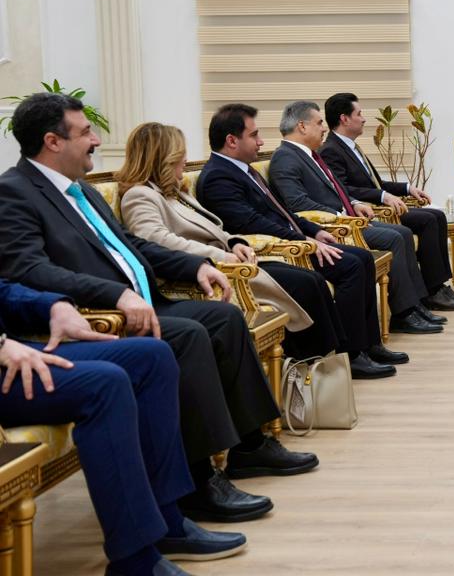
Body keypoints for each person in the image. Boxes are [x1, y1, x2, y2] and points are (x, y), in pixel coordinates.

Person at [0, 92, 316, 524]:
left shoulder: (81, 191)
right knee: (189, 336)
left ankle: (250, 446)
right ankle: (198, 481)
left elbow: (131, 245)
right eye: (86, 131)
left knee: (223, 317)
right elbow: (29, 269)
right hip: (101, 318)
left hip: (148, 302)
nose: (97, 139)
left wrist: (196, 265)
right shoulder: (14, 193)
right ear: (53, 141)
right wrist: (114, 295)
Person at [0, 278, 245, 576]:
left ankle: (169, 522)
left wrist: (53, 305)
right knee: (106, 384)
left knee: (153, 356)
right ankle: (135, 562)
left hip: (12, 346)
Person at [195, 103, 403, 379]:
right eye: (254, 135)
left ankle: (368, 345)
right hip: (271, 251)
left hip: (293, 239)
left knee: (362, 258)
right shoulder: (218, 177)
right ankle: (351, 355)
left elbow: (283, 211)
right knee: (351, 267)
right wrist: (303, 239)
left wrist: (314, 231)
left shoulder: (244, 169)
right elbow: (251, 223)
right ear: (232, 141)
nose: (261, 141)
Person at [117, 122, 339, 360]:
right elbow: (157, 241)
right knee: (304, 285)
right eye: (180, 154)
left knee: (312, 279)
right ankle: (312, 364)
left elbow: (213, 227)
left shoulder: (174, 192)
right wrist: (221, 256)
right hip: (213, 271)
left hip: (231, 260)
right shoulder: (139, 195)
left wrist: (234, 242)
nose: (185, 160)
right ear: (163, 158)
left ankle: (332, 359)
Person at [267, 100, 443, 334]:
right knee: (396, 237)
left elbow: (336, 188)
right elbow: (298, 204)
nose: (324, 128)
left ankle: (415, 305)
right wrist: (340, 215)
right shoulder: (285, 157)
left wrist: (354, 203)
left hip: (349, 219)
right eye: (319, 123)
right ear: (302, 126)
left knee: (402, 232)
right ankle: (404, 313)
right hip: (334, 228)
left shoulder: (309, 155)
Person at [320, 92, 454, 311]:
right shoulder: (331, 150)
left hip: (380, 205)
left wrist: (407, 188)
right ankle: (432, 292)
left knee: (437, 215)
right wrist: (383, 196)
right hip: (371, 212)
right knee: (428, 220)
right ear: (344, 119)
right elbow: (343, 189)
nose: (364, 119)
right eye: (359, 114)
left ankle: (437, 286)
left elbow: (376, 183)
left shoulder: (351, 146)